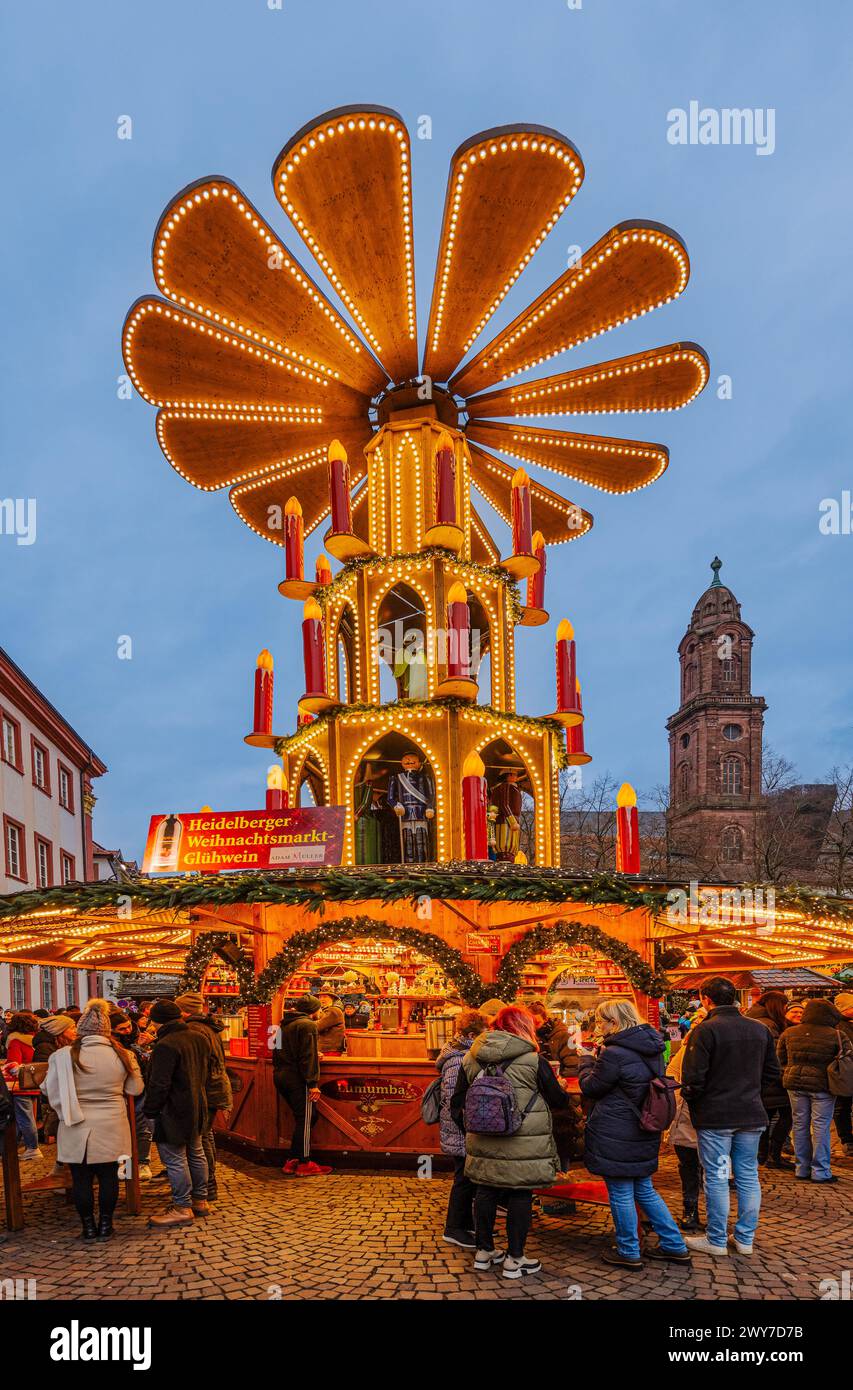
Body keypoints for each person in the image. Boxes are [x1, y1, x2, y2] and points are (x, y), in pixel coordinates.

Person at [451, 1004, 574, 1279]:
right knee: (520, 1193)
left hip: (482, 1137)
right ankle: (515, 1259)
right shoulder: (533, 1059)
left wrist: (472, 1128)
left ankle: (483, 1253)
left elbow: (457, 1101)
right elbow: (558, 1100)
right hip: (523, 1139)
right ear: (524, 1027)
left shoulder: (471, 1057)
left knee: (485, 1190)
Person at [578, 998, 689, 1269]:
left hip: (617, 1129)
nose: (599, 1026)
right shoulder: (652, 1047)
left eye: (602, 1021)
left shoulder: (615, 1053)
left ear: (614, 1022)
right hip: (643, 1125)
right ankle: (675, 1245)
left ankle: (628, 1250)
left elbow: (592, 1088)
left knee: (620, 1192)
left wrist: (585, 1062)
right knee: (644, 1189)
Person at [680, 976, 781, 1257]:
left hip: (717, 1118)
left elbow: (692, 1079)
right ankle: (745, 1238)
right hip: (750, 1115)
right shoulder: (758, 1029)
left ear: (706, 999)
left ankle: (716, 1239)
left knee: (718, 1176)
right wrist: (752, 1092)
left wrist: (697, 1099)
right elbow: (773, 1072)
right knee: (748, 1176)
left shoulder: (706, 1030)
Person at [41, 998, 143, 1240]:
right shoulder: (124, 1055)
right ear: (107, 1031)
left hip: (76, 1124)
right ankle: (106, 1225)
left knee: (80, 1178)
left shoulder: (62, 1056)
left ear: (81, 1031)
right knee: (110, 1175)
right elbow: (135, 1089)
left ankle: (87, 1227)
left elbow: (48, 1089)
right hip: (112, 1123)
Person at [144, 1000, 212, 1226]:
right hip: (197, 1104)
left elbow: (159, 1084)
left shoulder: (166, 1045)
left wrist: (151, 1110)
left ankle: (182, 1207)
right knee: (196, 1152)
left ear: (156, 1021)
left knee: (175, 1158)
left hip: (173, 1108)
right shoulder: (199, 1038)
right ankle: (200, 1202)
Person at [777, 996, 846, 1184]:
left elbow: (780, 1058)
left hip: (794, 1084)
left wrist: (790, 1071)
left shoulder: (789, 1033)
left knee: (799, 1124)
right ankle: (821, 1170)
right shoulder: (836, 1035)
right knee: (821, 1126)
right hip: (823, 1085)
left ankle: (802, 1167)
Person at [435, 1008, 488, 1248]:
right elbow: (453, 1101)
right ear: (470, 1034)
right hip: (459, 1131)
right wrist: (468, 1129)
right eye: (483, 1034)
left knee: (468, 1178)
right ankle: (454, 1228)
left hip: (462, 1128)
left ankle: (466, 1225)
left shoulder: (465, 1053)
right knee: (463, 1179)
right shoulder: (458, 1059)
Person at [175, 992, 233, 1200]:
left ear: (184, 1010)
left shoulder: (194, 1029)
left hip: (206, 1088)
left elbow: (199, 1064)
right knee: (205, 1135)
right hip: (214, 1086)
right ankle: (208, 1185)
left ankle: (207, 1186)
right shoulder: (207, 1027)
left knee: (201, 1137)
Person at [272, 995, 331, 1177]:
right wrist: (312, 1083)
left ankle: (292, 1159)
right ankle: (305, 1162)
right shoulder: (308, 1026)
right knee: (306, 1119)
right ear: (313, 1010)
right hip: (297, 1078)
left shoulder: (284, 1025)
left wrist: (314, 1052)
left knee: (306, 1117)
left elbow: (277, 1050)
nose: (321, 1012)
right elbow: (307, 1057)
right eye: (319, 1009)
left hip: (281, 1075)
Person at [743, 990, 794, 1169]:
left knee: (766, 1117)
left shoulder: (755, 1020)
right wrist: (783, 1077)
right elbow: (774, 1057)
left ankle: (763, 1155)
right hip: (772, 1081)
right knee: (787, 1116)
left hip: (759, 1079)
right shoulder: (768, 1025)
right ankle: (773, 1155)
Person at [665, 1008, 705, 1231]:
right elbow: (672, 1075)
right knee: (692, 1165)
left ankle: (696, 1212)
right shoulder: (687, 1050)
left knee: (702, 1166)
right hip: (691, 1117)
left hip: (699, 1117)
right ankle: (692, 1209)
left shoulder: (694, 1046)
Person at [110, 1008, 157, 1180]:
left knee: (141, 1127)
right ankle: (125, 1169)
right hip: (121, 1090)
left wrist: (143, 1048)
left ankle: (142, 1164)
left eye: (128, 1026)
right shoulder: (112, 1043)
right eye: (122, 1029)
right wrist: (139, 1048)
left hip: (139, 1089)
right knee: (123, 1131)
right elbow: (125, 1059)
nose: (127, 1031)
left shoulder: (134, 1036)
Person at [4, 1011, 42, 1161]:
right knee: (29, 1116)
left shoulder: (15, 1041)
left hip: (20, 1084)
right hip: (34, 1082)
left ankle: (33, 1147)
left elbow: (14, 1065)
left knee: (24, 1118)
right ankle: (27, 1146)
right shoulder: (34, 1040)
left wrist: (6, 1068)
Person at [832, 992, 853, 1156]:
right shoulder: (838, 1026)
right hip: (845, 1072)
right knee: (843, 1106)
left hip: (846, 1071)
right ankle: (847, 1140)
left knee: (843, 1107)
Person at [315, 990, 347, 1055]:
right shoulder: (325, 1010)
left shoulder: (333, 1010)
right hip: (327, 1049)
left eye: (325, 997)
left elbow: (318, 1026)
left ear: (332, 999)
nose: (322, 999)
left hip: (329, 1049)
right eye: (320, 997)